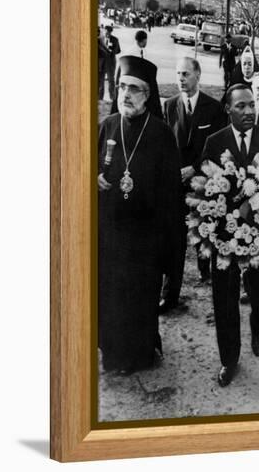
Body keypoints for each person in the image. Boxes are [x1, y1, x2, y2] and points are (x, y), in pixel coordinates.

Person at [98, 55, 182, 375]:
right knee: (110, 295)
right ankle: (114, 354)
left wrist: (169, 250)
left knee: (140, 298)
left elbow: (172, 196)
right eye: (121, 87)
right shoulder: (106, 125)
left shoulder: (161, 135)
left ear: (148, 95)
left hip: (145, 239)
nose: (126, 95)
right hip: (110, 234)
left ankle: (141, 353)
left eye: (134, 89)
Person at [201, 84, 259, 387]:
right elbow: (202, 188)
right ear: (228, 109)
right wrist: (220, 219)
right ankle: (229, 359)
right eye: (241, 106)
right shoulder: (214, 142)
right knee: (224, 299)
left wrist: (257, 204)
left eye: (252, 105)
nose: (249, 111)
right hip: (224, 236)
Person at [161, 57, 227, 313]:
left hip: (202, 184)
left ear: (198, 75)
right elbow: (164, 146)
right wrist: (174, 171)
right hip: (176, 186)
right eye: (178, 74)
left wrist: (196, 168)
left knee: (205, 235)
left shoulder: (213, 108)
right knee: (175, 242)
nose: (181, 79)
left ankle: (209, 278)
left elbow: (218, 147)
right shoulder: (169, 106)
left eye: (186, 74)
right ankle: (170, 294)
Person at [100, 25, 121, 101]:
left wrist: (110, 51)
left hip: (110, 63)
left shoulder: (115, 40)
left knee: (111, 80)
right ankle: (100, 98)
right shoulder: (100, 39)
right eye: (105, 31)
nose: (107, 33)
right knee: (100, 80)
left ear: (111, 32)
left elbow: (118, 50)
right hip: (101, 63)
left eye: (108, 32)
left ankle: (112, 98)